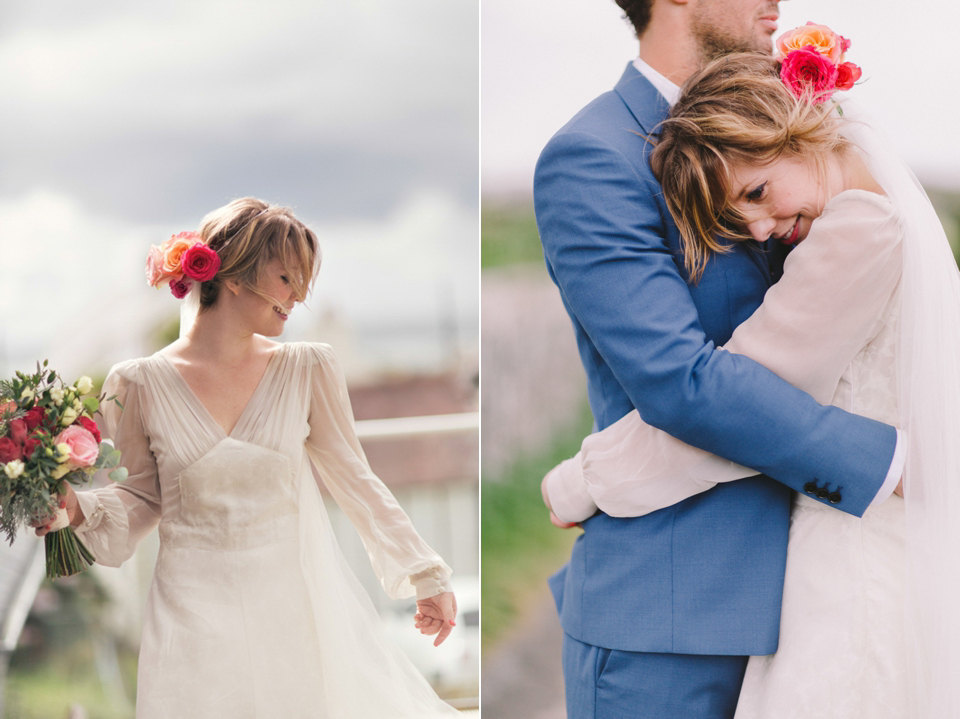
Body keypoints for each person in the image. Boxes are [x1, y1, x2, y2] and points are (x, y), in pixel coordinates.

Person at [542, 49, 960, 717]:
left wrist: (581, 479)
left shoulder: (858, 230)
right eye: (742, 222)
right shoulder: (886, 208)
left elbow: (730, 403)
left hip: (847, 569)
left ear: (794, 129)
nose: (762, 229)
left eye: (757, 194)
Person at [34, 198, 460, 718]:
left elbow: (356, 479)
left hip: (291, 612)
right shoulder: (137, 383)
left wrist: (425, 574)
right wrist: (75, 509)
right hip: (189, 618)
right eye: (285, 278)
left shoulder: (307, 368)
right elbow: (142, 497)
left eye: (303, 281)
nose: (298, 296)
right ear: (232, 277)